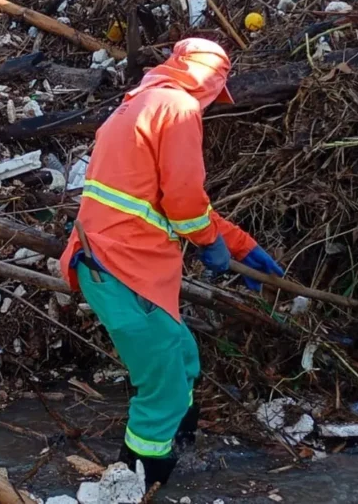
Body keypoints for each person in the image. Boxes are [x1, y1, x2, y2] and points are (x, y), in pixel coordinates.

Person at [60, 37, 284, 489]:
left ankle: (180, 454)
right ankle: (140, 486)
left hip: (110, 263)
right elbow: (184, 204)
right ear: (212, 82)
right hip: (125, 268)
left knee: (181, 355)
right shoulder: (178, 109)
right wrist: (207, 242)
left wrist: (238, 245)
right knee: (162, 387)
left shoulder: (138, 105)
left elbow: (171, 199)